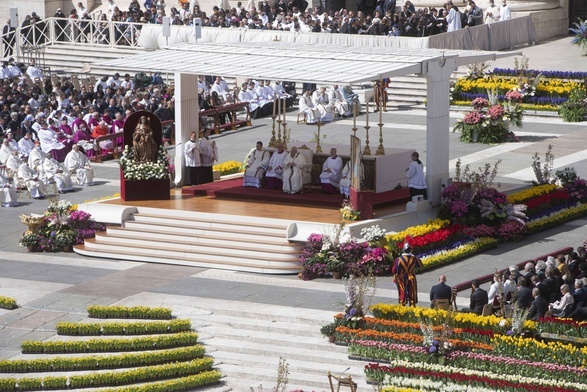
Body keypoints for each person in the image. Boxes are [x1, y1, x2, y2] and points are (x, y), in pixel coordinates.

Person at [392, 242, 423, 306]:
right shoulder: (414, 258)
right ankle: (412, 307)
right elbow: (420, 265)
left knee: (403, 292)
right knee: (412, 293)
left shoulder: (399, 259)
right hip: (411, 276)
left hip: (402, 277)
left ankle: (402, 307)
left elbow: (395, 270)